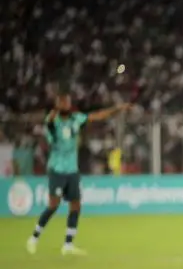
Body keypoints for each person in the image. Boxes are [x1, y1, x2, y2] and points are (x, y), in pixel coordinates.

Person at [26, 93, 131, 256]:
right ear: (57, 105)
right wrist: (56, 109)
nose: (66, 104)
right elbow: (50, 121)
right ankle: (34, 238)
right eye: (62, 102)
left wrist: (117, 109)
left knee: (76, 204)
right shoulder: (53, 121)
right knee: (53, 205)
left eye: (67, 102)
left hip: (72, 170)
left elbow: (97, 116)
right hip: (57, 169)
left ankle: (68, 244)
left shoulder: (76, 119)